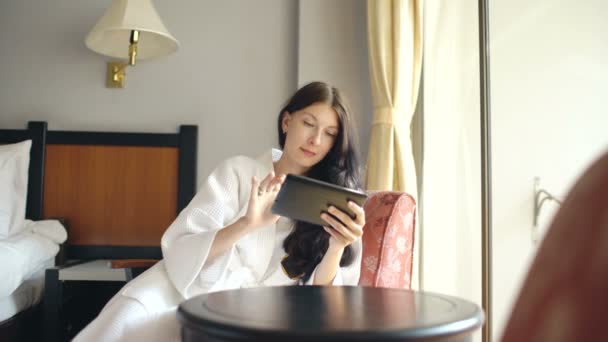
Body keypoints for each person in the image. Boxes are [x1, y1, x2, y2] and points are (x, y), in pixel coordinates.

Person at [73, 81, 366, 341]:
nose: (315, 140)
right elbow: (181, 247)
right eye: (308, 123)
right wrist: (246, 224)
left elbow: (327, 303)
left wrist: (338, 245)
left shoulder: (336, 203)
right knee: (131, 314)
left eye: (329, 133)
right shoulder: (238, 171)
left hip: (268, 314)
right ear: (287, 122)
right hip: (185, 289)